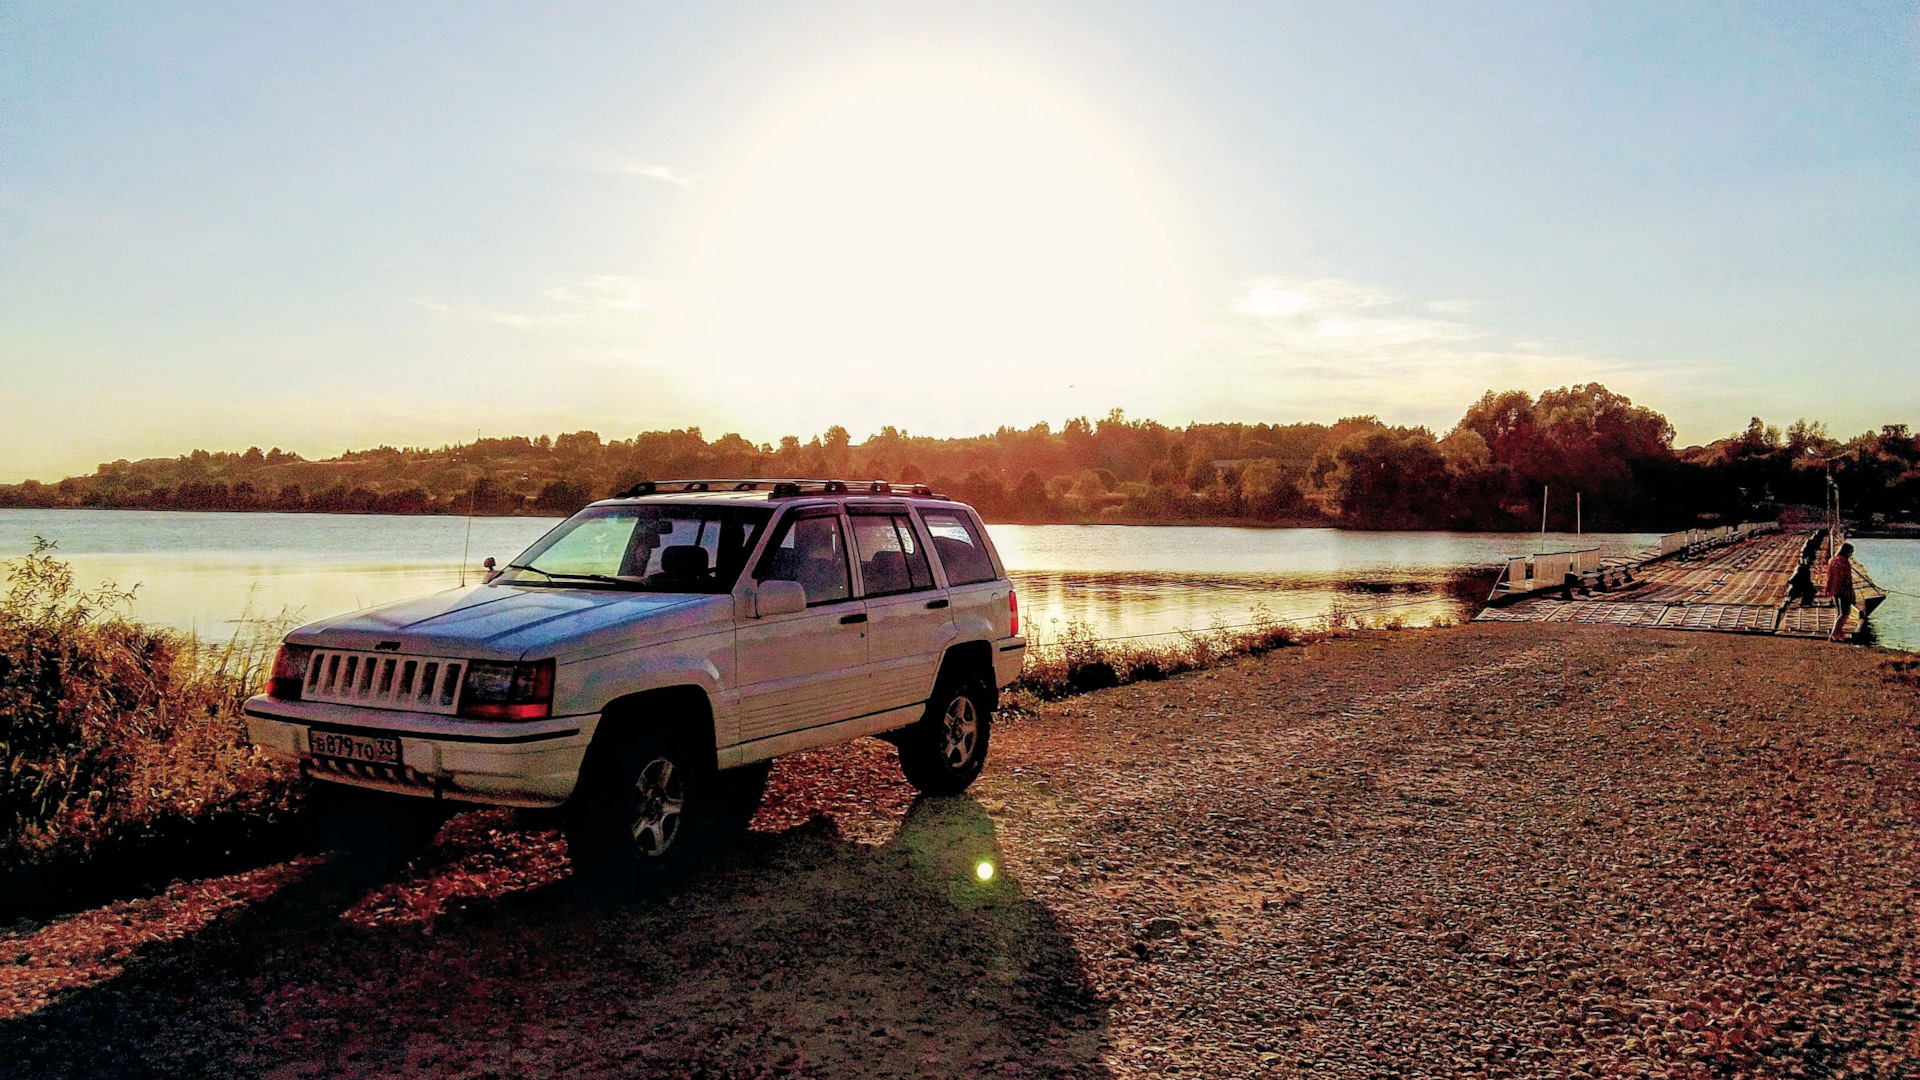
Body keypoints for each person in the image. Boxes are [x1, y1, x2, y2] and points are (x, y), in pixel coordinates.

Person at [1825, 543, 1857, 642]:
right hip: (1842, 590)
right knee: (1844, 613)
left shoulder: (1834, 560)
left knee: (1840, 612)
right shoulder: (1842, 562)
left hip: (1835, 590)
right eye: (1850, 552)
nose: (1851, 554)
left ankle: (1837, 633)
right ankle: (1835, 634)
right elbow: (1843, 578)